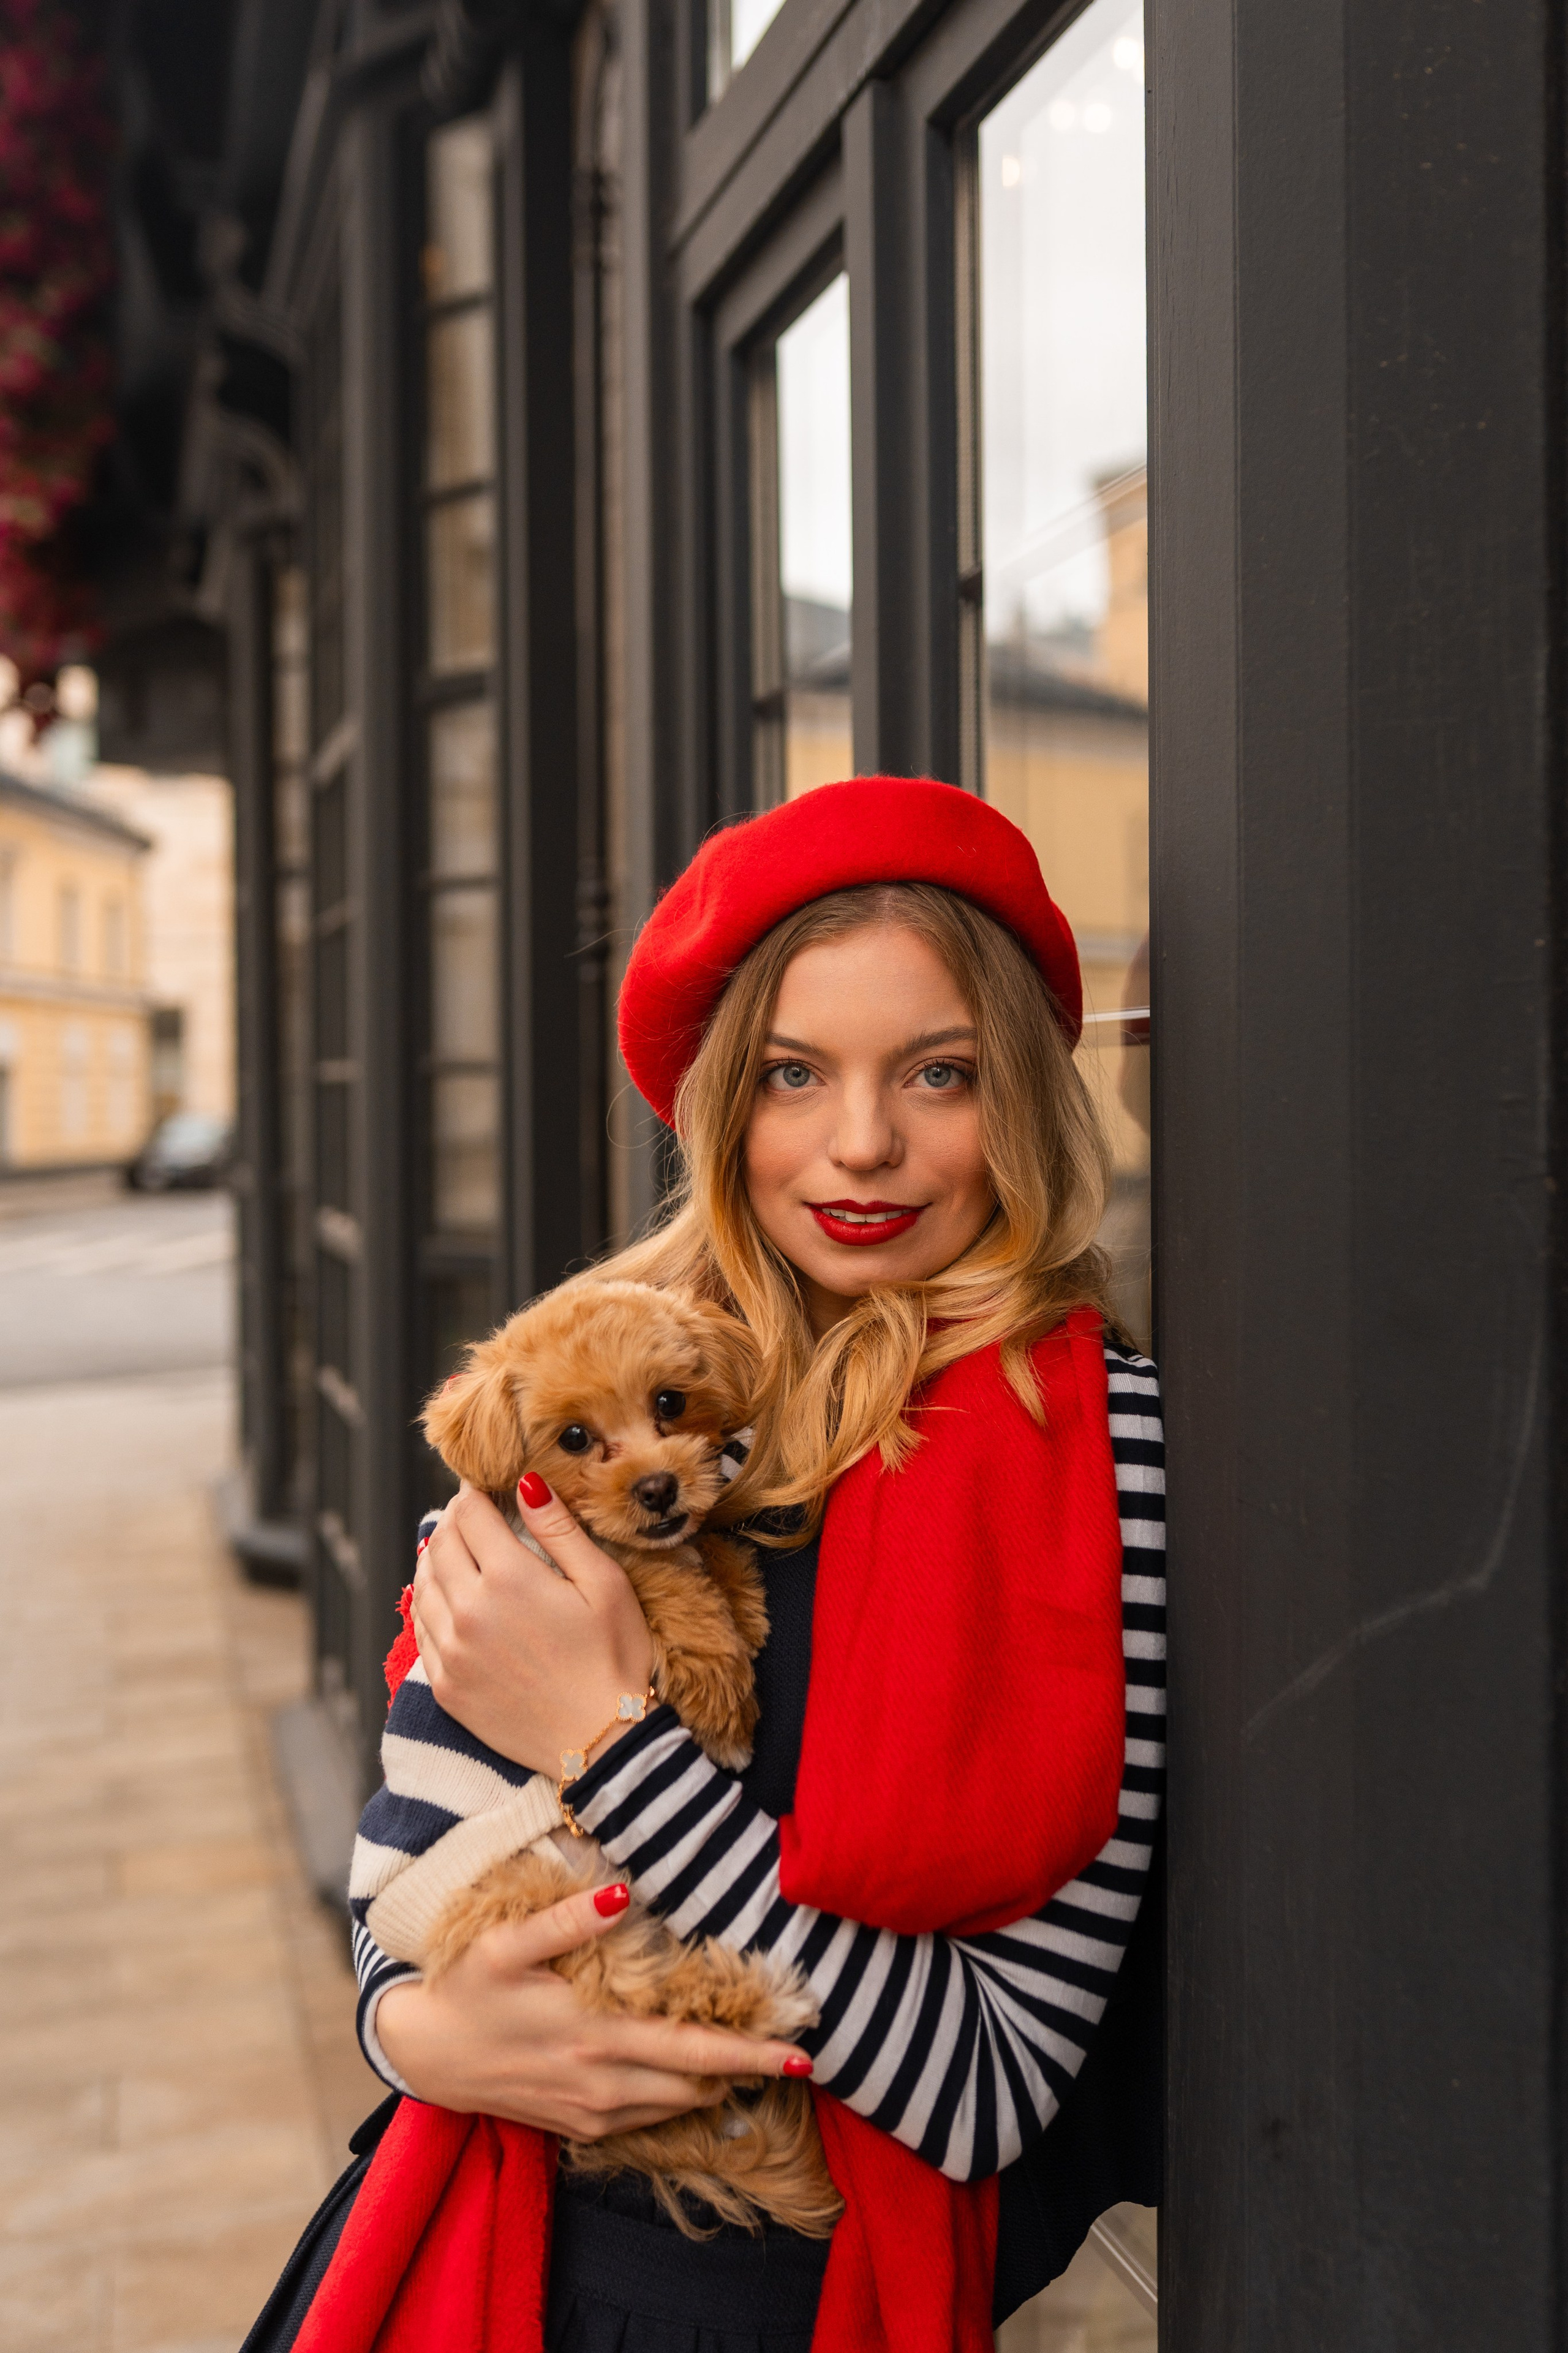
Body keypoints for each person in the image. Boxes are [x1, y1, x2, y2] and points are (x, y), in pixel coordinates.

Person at [246, 775, 1164, 2353]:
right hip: (459, 2235)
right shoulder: (595, 1383)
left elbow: (988, 2085)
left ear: (1016, 1096)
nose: (860, 1145)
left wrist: (608, 1741)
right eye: (796, 1074)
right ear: (726, 1099)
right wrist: (412, 2030)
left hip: (748, 2295)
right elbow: (415, 1838)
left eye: (936, 1074)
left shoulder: (1084, 1439)